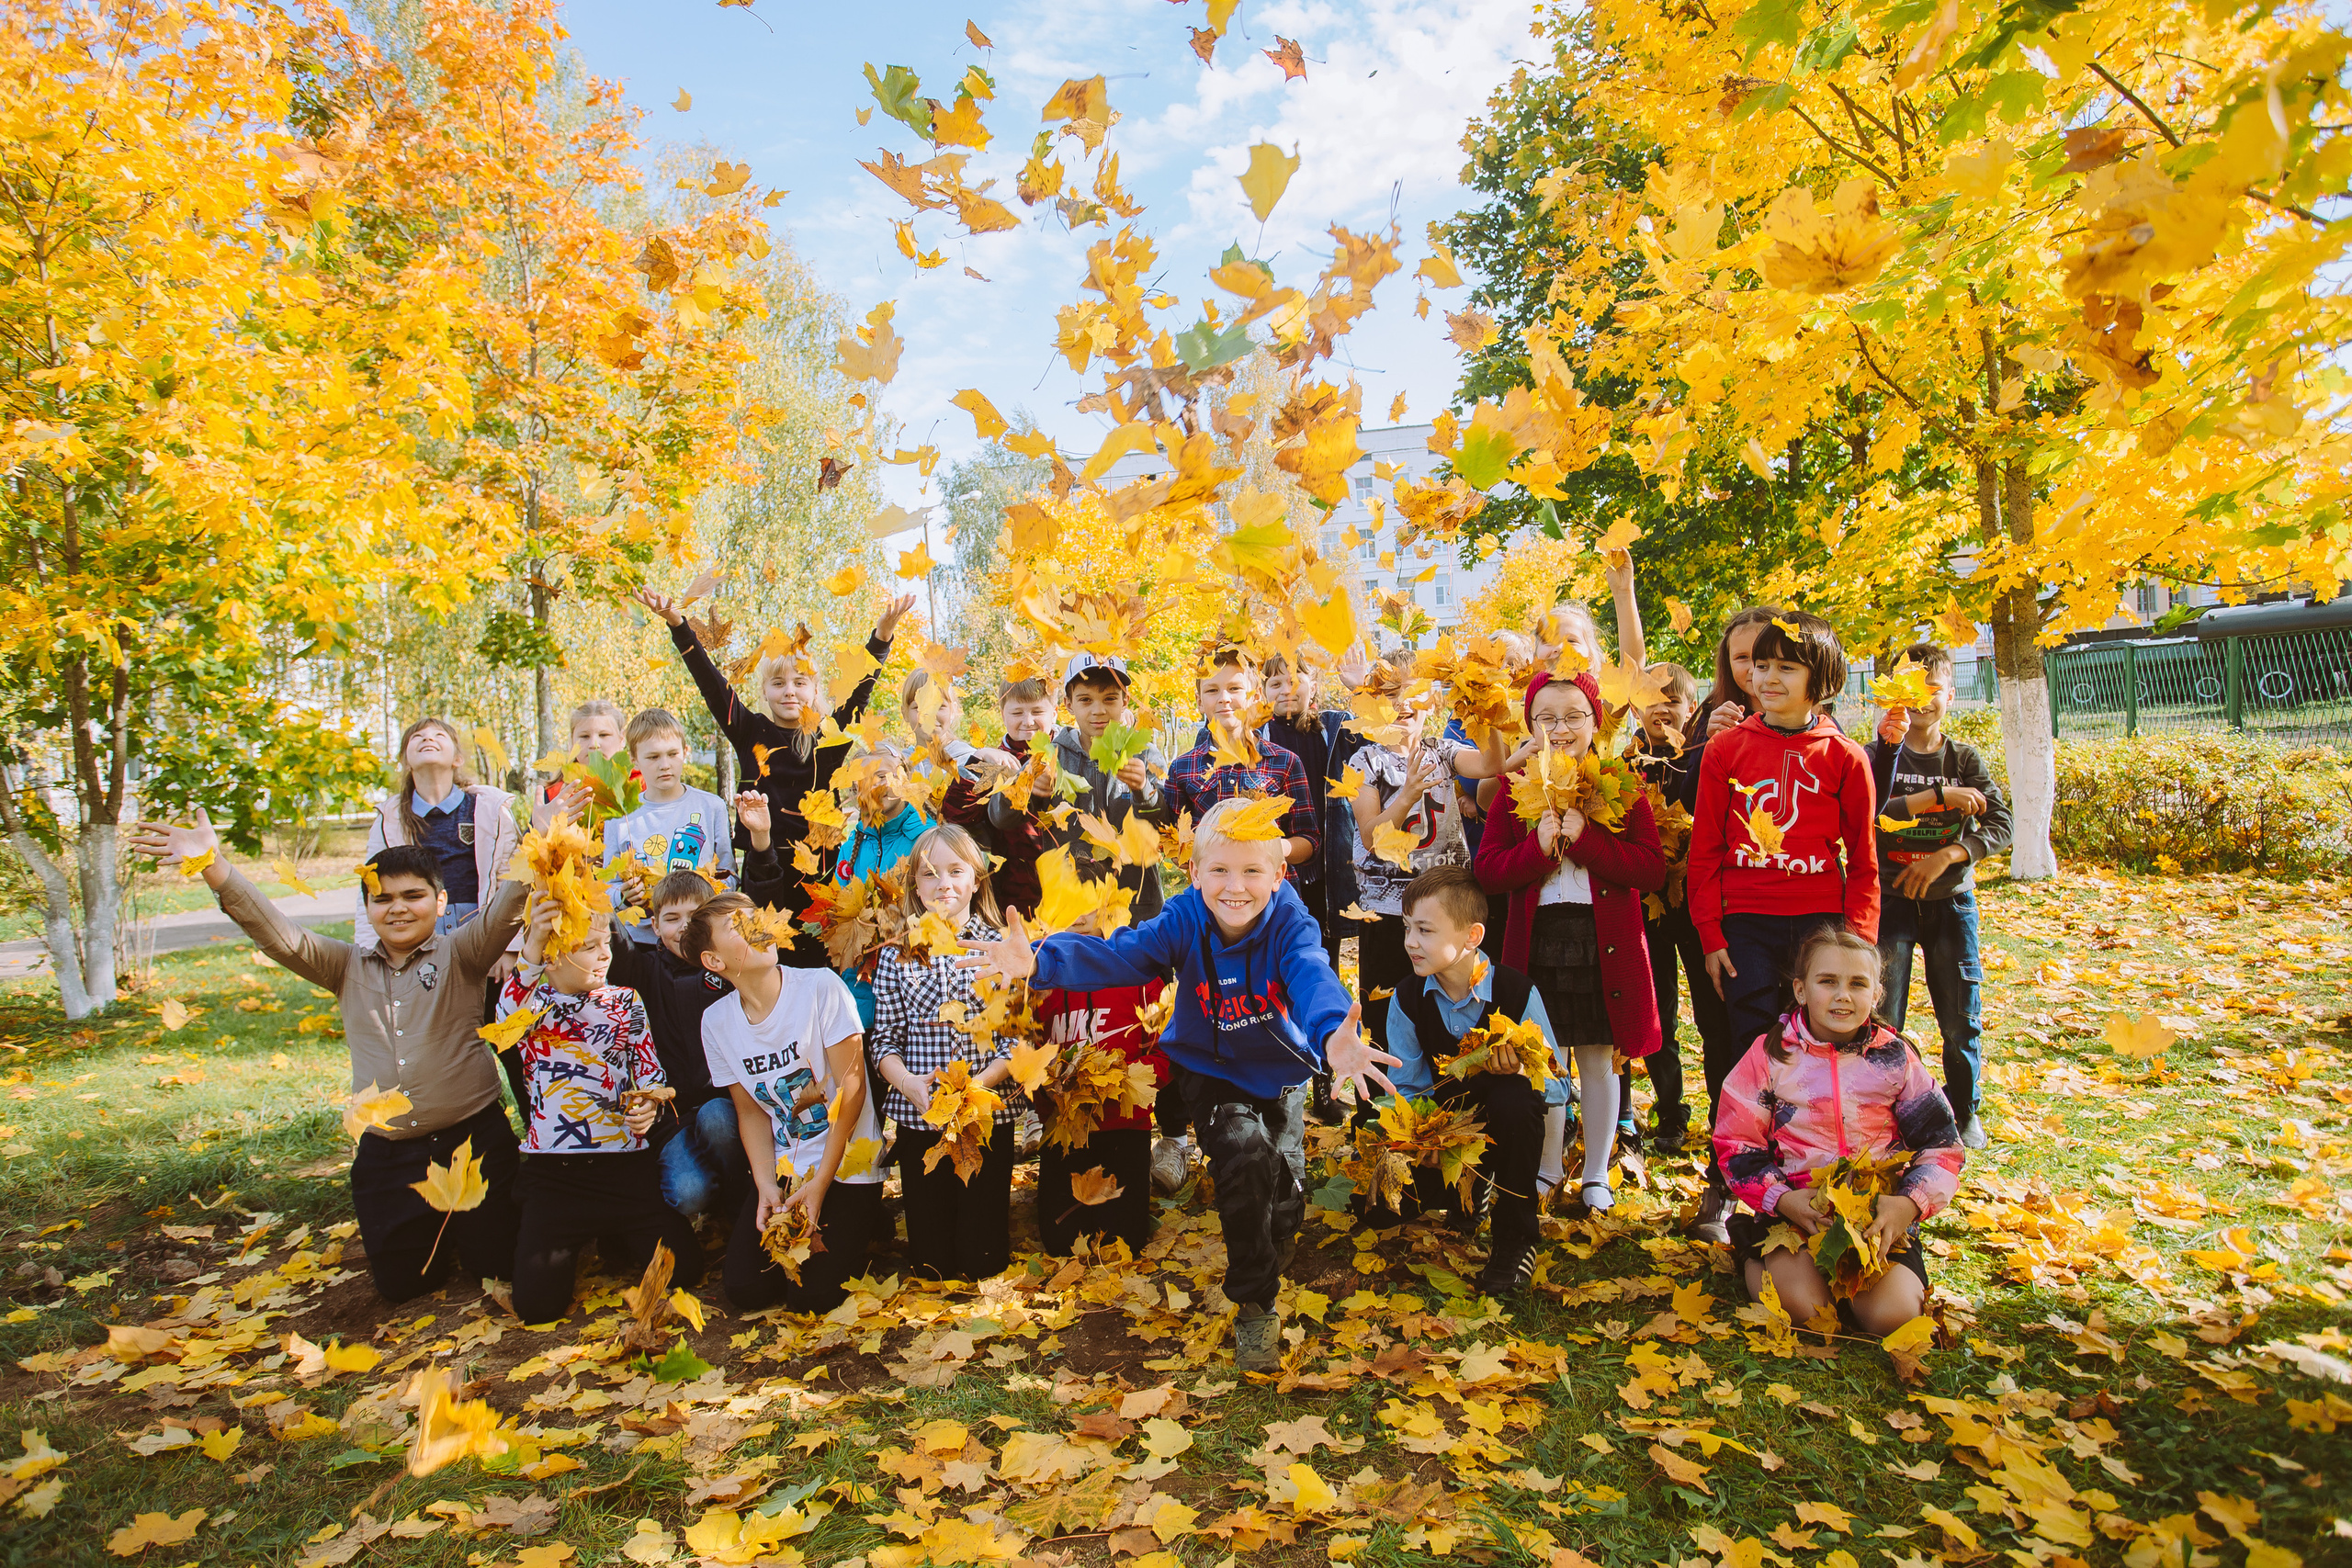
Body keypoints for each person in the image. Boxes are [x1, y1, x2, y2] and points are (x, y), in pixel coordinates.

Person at [966, 797, 1399, 1373]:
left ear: (1278, 874)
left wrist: (1331, 1034)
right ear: (1195, 873)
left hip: (1281, 1070)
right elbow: (1118, 955)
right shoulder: (1183, 918)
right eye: (1219, 870)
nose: (1235, 887)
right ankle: (1255, 1305)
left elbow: (1312, 973)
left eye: (1251, 871)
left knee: (1277, 1187)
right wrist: (1043, 961)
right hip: (1210, 1070)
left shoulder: (1293, 923)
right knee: (1243, 1161)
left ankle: (1284, 1203)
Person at [129, 795, 573, 1303]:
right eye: (382, 899)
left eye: (413, 895)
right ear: (367, 908)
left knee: (496, 1268)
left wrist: (542, 838)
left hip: (474, 1144)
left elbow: (506, 908)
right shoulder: (345, 967)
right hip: (390, 1157)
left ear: (442, 902)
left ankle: (472, 1234)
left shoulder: (462, 953)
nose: (398, 907)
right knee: (403, 1288)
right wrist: (215, 866)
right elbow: (279, 935)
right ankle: (428, 1233)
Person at [1686, 611, 1878, 1244]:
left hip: (1817, 926)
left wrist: (1859, 947)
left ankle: (1812, 1179)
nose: (1765, 678)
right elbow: (1706, 851)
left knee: (1814, 1052)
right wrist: (1712, 935)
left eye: (1783, 667)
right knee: (1750, 1050)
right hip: (1746, 924)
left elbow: (1864, 859)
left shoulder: (1846, 757)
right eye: (1759, 665)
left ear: (1817, 678)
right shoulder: (1726, 748)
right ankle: (1740, 1183)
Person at [1473, 671, 1665, 1212]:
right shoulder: (1512, 792)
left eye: (1573, 716)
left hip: (1604, 942)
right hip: (1537, 943)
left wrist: (1592, 841)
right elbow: (1488, 874)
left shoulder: (1621, 786)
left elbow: (1650, 869)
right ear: (1530, 726)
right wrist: (1535, 848)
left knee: (1600, 1060)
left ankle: (1598, 1173)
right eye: (1546, 718)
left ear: (1594, 721)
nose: (1560, 729)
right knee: (1548, 1060)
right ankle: (1549, 1166)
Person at [1713, 926, 1963, 1335]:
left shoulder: (1895, 1059)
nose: (1842, 995)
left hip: (1874, 1220)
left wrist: (1909, 1205)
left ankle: (1869, 1287)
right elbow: (1736, 1145)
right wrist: (1783, 1199)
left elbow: (1942, 1146)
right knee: (1804, 1313)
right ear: (1800, 990)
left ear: (1877, 994)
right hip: (1795, 1214)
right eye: (1827, 981)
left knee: (1892, 1319)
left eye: (1857, 984)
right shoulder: (1769, 1056)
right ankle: (1752, 1254)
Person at [634, 584, 915, 908]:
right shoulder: (749, 730)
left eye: (800, 682)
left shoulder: (829, 737)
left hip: (822, 869)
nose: (789, 692)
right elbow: (711, 684)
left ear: (814, 688)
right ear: (765, 690)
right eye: (778, 684)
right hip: (764, 865)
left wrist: (882, 636)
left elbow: (860, 692)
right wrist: (677, 625)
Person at [500, 902, 702, 1324]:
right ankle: (583, 1242)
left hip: (625, 1170)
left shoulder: (625, 1002)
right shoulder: (529, 1006)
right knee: (536, 1308)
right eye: (588, 947)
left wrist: (649, 1104)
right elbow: (505, 1018)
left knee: (686, 1271)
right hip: (555, 1178)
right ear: (552, 958)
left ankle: (619, 1237)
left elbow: (650, 1071)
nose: (604, 954)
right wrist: (534, 942)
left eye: (605, 942)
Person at [686, 891, 885, 1314]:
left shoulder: (819, 987)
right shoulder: (716, 1022)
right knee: (745, 1290)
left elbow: (853, 1093)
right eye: (737, 926)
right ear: (714, 962)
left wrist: (820, 1186)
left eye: (756, 917)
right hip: (789, 1168)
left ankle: (867, 1224)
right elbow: (751, 1113)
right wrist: (765, 1187)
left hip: (847, 1163)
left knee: (811, 1298)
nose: (758, 927)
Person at [1379, 866, 1559, 1295]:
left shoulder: (1517, 994)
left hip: (1505, 1126)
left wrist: (1520, 1069)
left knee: (1517, 1099)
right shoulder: (1406, 998)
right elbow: (1406, 1087)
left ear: (1471, 936)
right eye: (1406, 928)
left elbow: (1559, 1087)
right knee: (1382, 1210)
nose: (1409, 942)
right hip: (1445, 1130)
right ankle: (1467, 1188)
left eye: (1424, 930)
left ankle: (1515, 1239)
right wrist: (1419, 1139)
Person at [1867, 642, 2011, 1149]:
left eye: (1933, 687)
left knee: (1959, 1014)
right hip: (1892, 903)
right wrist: (1936, 800)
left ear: (1951, 693)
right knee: (1886, 1014)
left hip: (1952, 904)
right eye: (1911, 688)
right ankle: (1884, 1110)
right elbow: (1873, 817)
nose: (1923, 698)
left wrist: (1948, 856)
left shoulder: (1964, 758)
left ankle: (1964, 1105)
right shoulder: (1880, 755)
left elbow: (2001, 822)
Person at [869, 825, 1019, 1281]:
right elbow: (884, 1041)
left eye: (956, 871)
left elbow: (1014, 1042)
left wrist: (977, 1090)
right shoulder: (898, 956)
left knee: (982, 1263)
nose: (944, 884)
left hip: (985, 1114)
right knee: (930, 1265)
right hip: (922, 1117)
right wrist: (908, 1083)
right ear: (916, 884)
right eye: (930, 874)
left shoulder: (1001, 949)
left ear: (977, 879)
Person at [1348, 665, 1513, 1052]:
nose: (1402, 703)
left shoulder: (1442, 750)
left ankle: (1446, 1097)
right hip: (1390, 911)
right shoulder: (1364, 761)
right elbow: (1372, 837)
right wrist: (1406, 795)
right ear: (1374, 704)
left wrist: (1484, 711)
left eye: (1412, 693)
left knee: (1447, 1006)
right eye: (1390, 695)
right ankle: (1379, 1106)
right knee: (1385, 1011)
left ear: (1431, 701)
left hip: (1448, 906)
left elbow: (1493, 765)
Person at [605, 856, 742, 1221]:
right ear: (653, 925)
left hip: (727, 1104)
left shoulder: (728, 969)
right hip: (671, 1111)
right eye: (671, 918)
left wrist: (760, 851)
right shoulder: (644, 970)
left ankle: (739, 1196)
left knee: (716, 1120)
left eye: (694, 917)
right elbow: (612, 936)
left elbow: (756, 908)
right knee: (687, 1193)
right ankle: (709, 1197)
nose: (684, 928)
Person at [1628, 661, 1721, 1156]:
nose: (1662, 706)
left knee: (1712, 1012)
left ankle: (1725, 1112)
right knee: (1658, 1011)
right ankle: (1670, 1113)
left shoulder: (1707, 755)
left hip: (1700, 902)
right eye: (1651, 698)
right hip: (1648, 904)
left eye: (1673, 697)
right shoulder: (1627, 762)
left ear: (1691, 706)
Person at [1001, 653, 1169, 920]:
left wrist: (1144, 791)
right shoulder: (1049, 756)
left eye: (1110, 699)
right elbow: (1001, 818)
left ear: (1125, 700)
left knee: (1138, 963)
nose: (1098, 710)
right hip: (1073, 907)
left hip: (1135, 907)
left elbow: (1166, 823)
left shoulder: (1143, 754)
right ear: (1068, 704)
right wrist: (1027, 789)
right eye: (1086, 700)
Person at [1032, 974, 1170, 1257]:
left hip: (1125, 1128)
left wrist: (1115, 1081)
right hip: (1066, 1129)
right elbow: (1029, 1060)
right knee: (1061, 1243)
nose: (1079, 924)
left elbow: (1166, 1055)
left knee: (1122, 1243)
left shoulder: (1142, 979)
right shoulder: (1042, 984)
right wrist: (1049, 1091)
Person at [356, 717, 520, 954]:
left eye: (439, 735)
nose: (428, 738)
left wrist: (508, 948)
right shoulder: (389, 819)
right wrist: (366, 954)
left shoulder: (490, 810)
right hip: (418, 938)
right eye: (418, 737)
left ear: (457, 759)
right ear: (405, 760)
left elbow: (511, 880)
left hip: (482, 936)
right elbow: (371, 887)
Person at [1162, 647, 1317, 877]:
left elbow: (1309, 841)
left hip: (1273, 896)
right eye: (1212, 690)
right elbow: (1175, 847)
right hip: (1213, 896)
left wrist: (1272, 845)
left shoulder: (1284, 762)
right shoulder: (1183, 768)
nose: (1224, 698)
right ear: (1199, 701)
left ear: (1255, 696)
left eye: (1235, 689)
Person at [1262, 651, 1368, 966]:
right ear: (1263, 692)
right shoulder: (1257, 736)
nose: (1285, 690)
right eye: (1275, 683)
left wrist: (1360, 690)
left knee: (1322, 955)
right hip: (1279, 861)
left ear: (1315, 685)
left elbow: (1376, 737)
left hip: (1326, 866)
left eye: (1294, 680)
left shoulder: (1333, 729)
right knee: (1277, 950)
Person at [603, 708, 735, 943]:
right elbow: (607, 886)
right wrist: (622, 897)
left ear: (685, 752)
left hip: (698, 935)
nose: (665, 765)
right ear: (634, 758)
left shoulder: (711, 807)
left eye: (672, 754)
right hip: (639, 941)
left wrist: (708, 893)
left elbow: (729, 875)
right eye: (653, 757)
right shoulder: (620, 817)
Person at [833, 741, 934, 1029]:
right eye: (868, 778)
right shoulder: (850, 847)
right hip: (861, 991)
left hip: (916, 986)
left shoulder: (927, 838)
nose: (880, 784)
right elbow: (841, 922)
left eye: (886, 775)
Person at [941, 675, 1057, 919]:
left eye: (1037, 711)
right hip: (1014, 898)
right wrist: (978, 760)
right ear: (1003, 714)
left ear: (1054, 712)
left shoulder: (1069, 752)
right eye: (1017, 713)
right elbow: (956, 815)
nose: (1028, 721)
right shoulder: (997, 761)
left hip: (1072, 897)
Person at [1697, 604, 1788, 740]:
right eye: (1742, 657)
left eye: (1763, 658)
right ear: (1728, 663)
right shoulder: (1716, 716)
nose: (1753, 669)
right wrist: (1711, 740)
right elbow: (1697, 762)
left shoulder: (1815, 722)